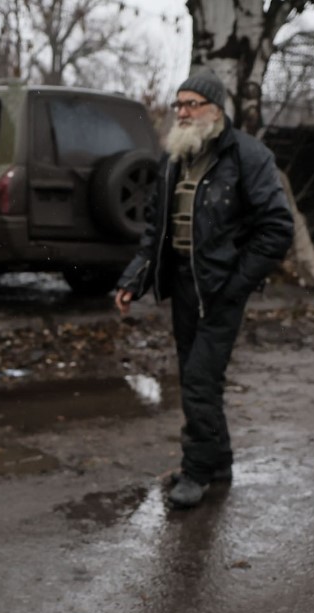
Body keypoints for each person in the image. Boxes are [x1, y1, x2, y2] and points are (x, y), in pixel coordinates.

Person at [113, 70, 295, 509]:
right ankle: (219, 463)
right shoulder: (175, 156)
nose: (184, 112)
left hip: (220, 291)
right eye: (179, 104)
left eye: (193, 104)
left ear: (216, 109)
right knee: (200, 381)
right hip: (184, 288)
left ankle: (196, 472)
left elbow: (277, 228)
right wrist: (134, 279)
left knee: (197, 380)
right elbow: (156, 227)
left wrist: (236, 283)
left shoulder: (247, 156)